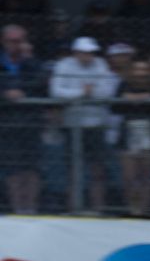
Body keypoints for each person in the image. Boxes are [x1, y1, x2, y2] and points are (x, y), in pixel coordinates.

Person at [50, 36, 116, 211]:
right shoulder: (64, 65)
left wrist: (88, 94)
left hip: (96, 124)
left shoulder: (101, 64)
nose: (88, 56)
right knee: (73, 169)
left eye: (91, 52)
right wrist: (81, 92)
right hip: (72, 124)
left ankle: (98, 208)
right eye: (84, 52)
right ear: (76, 52)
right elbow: (56, 91)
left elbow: (107, 91)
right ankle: (73, 208)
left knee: (98, 169)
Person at [114, 59, 150, 214]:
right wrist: (135, 98)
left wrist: (137, 98)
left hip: (149, 129)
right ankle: (131, 208)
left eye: (144, 69)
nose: (140, 73)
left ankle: (144, 209)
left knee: (146, 174)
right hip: (129, 129)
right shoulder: (124, 84)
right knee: (129, 176)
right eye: (137, 69)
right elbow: (115, 105)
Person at [0, 24, 43, 213]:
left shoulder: (32, 63)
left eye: (20, 41)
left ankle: (30, 209)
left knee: (32, 168)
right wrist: (5, 93)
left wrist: (29, 61)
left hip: (30, 122)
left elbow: (42, 83)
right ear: (3, 41)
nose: (16, 45)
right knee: (13, 168)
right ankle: (18, 209)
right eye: (12, 41)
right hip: (6, 123)